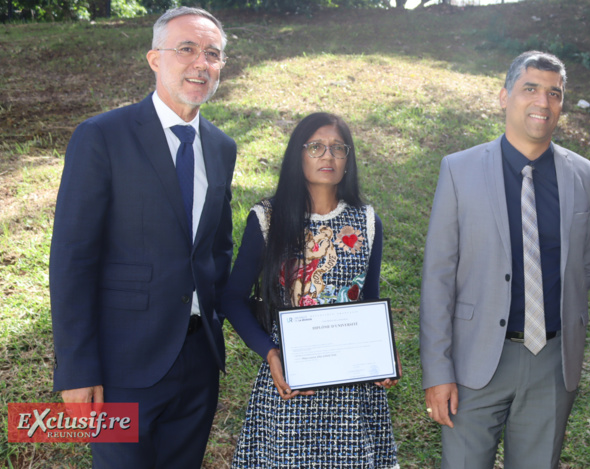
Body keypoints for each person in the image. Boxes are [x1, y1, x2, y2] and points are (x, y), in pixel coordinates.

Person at [49, 7, 235, 467]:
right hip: (121, 367)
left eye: (212, 54)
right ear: (155, 59)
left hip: (198, 363)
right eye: (186, 49)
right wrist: (77, 369)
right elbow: (72, 259)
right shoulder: (101, 136)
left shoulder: (221, 146)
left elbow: (217, 247)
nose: (200, 63)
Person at [419, 51, 590, 468]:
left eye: (554, 93)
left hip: (551, 366)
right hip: (473, 362)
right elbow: (437, 279)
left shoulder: (588, 179)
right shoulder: (458, 171)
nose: (543, 102)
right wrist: (437, 372)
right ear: (505, 97)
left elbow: (588, 268)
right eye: (530, 89)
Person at [222, 112, 399, 468]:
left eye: (338, 147)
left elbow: (368, 298)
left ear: (348, 159)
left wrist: (384, 357)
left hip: (351, 391)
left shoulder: (366, 222)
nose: (328, 156)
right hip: (290, 379)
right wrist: (271, 355)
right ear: (297, 155)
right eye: (315, 146)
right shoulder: (267, 219)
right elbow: (231, 299)